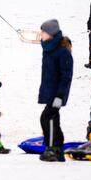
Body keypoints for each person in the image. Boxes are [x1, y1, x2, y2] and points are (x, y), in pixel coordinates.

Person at [38, 19, 73, 162]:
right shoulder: (48, 49)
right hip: (50, 92)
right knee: (52, 118)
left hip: (58, 94)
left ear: (51, 33)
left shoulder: (62, 52)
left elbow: (66, 76)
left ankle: (52, 148)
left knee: (48, 118)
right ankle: (58, 149)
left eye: (43, 32)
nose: (41, 34)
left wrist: (60, 95)